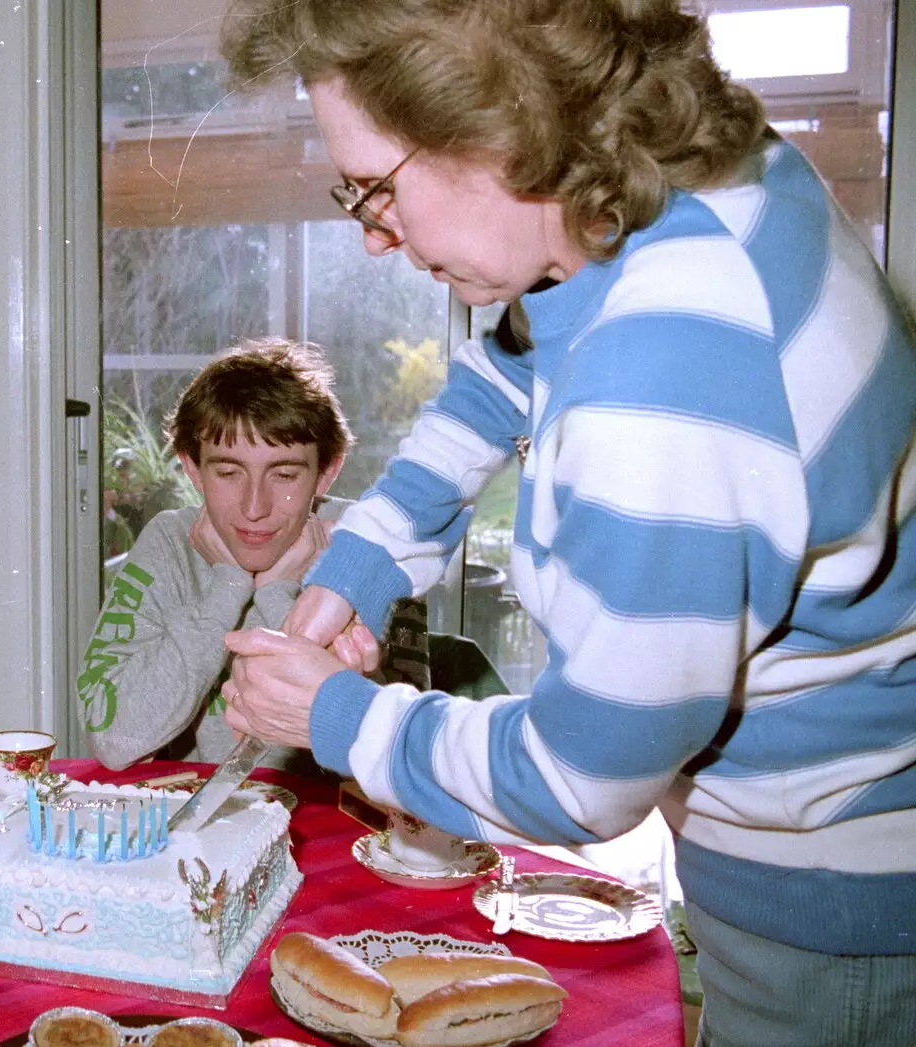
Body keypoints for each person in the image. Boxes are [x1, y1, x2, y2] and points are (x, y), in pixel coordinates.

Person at [216, 3, 916, 1045]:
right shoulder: (687, 186)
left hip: (834, 930)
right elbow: (503, 377)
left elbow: (581, 775)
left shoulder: (663, 369)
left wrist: (340, 719)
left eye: (376, 187)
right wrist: (358, 568)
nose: (371, 236)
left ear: (496, 131)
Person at [78, 338, 442, 772]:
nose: (255, 508)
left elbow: (403, 760)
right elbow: (114, 740)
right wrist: (226, 587)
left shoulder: (375, 553)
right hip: (201, 828)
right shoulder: (170, 542)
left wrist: (278, 596)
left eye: (284, 474)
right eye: (229, 472)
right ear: (193, 469)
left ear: (326, 471)